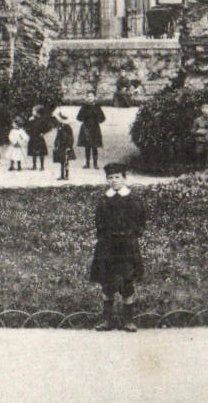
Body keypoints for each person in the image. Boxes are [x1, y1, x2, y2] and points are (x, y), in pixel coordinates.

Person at [88, 163, 146, 330]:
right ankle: (107, 319)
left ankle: (128, 320)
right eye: (110, 177)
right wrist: (106, 237)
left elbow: (140, 223)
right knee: (107, 283)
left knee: (127, 282)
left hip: (127, 247)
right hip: (107, 247)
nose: (113, 181)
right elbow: (99, 222)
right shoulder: (104, 200)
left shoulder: (133, 200)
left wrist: (129, 236)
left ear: (124, 178)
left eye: (117, 177)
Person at [76, 94, 106, 169]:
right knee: (87, 146)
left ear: (95, 98)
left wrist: (97, 118)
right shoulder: (84, 107)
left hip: (95, 128)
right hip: (86, 128)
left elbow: (102, 118)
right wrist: (84, 116)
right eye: (88, 96)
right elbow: (79, 117)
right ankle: (87, 163)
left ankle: (95, 164)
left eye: (91, 96)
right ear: (86, 98)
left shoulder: (97, 107)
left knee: (95, 146)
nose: (90, 98)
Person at [26, 105, 52, 171]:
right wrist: (29, 121)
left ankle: (42, 166)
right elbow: (28, 127)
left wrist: (43, 133)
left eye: (33, 111)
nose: (32, 112)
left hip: (39, 137)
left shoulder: (42, 119)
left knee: (41, 152)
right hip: (33, 137)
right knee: (33, 152)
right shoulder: (32, 119)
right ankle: (34, 165)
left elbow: (48, 127)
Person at [52, 112, 75, 181]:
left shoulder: (67, 127)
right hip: (61, 146)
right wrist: (56, 144)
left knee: (65, 162)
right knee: (62, 161)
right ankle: (62, 175)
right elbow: (57, 136)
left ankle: (66, 175)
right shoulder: (60, 126)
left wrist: (69, 146)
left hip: (66, 146)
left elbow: (70, 138)